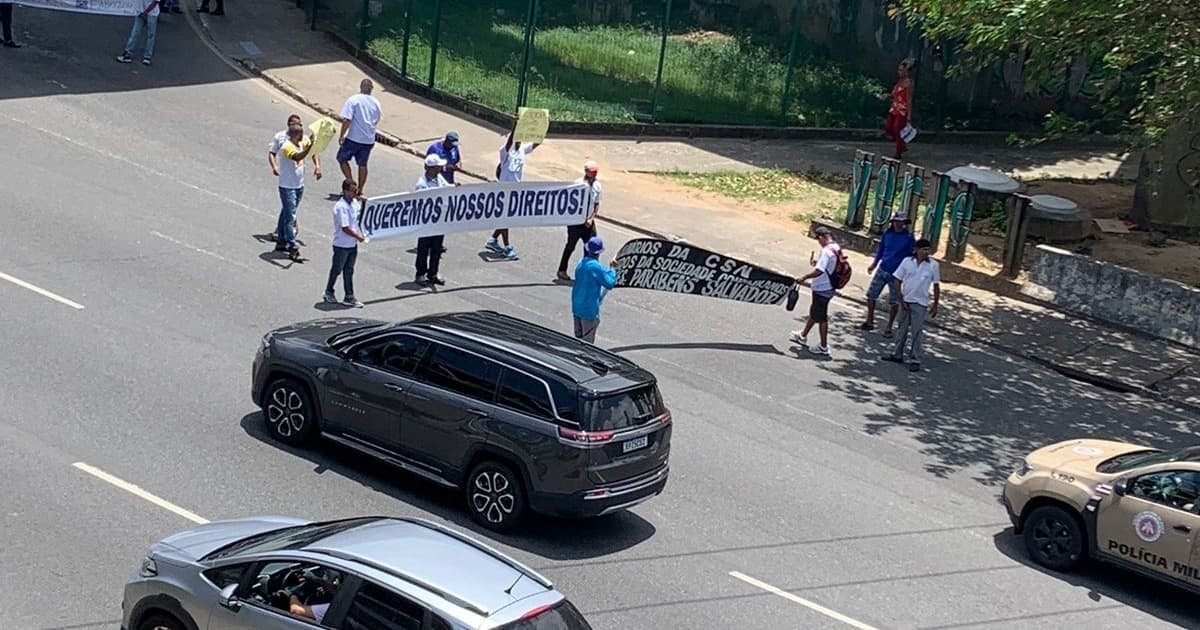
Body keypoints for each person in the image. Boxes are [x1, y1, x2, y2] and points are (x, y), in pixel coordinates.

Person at [882, 238, 940, 372]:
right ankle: (897, 354)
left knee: (917, 332)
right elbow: (897, 280)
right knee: (901, 329)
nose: (926, 252)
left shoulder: (933, 265)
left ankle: (915, 359)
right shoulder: (907, 262)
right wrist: (901, 299)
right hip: (906, 301)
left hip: (920, 302)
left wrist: (935, 304)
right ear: (917, 250)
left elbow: (936, 285)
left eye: (928, 249)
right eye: (923, 249)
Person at [859, 211, 915, 336]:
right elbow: (881, 250)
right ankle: (869, 320)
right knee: (871, 295)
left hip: (897, 274)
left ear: (904, 223)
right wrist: (874, 264)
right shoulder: (887, 234)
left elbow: (912, 255)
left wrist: (908, 272)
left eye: (900, 222)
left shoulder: (909, 238)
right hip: (882, 268)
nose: (897, 224)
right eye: (896, 221)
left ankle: (889, 326)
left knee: (894, 301)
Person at [487, 128, 539, 261]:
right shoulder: (504, 152)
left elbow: (536, 143)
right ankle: (507, 247)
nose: (519, 141)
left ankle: (493, 239)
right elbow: (509, 141)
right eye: (517, 137)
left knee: (507, 218)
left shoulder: (522, 149)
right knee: (506, 219)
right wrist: (517, 125)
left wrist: (542, 127)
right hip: (504, 191)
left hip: (515, 192)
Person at [275, 118, 322, 261]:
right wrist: (308, 149)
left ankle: (281, 240)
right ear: (295, 135)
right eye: (301, 134)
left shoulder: (302, 142)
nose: (303, 137)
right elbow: (298, 157)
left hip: (298, 185)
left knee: (287, 212)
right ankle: (292, 244)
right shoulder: (287, 146)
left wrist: (316, 141)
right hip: (287, 186)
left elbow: (313, 149)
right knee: (291, 216)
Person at [790, 227, 841, 356]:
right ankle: (803, 335)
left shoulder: (825, 251)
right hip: (830, 286)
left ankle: (823, 346)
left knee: (821, 317)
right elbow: (829, 265)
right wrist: (817, 263)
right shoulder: (836, 247)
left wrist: (804, 277)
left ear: (821, 237)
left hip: (822, 288)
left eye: (818, 239)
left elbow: (819, 271)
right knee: (815, 312)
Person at [324, 179, 366, 308]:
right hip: (342, 244)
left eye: (356, 190)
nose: (355, 193)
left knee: (349, 270)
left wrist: (364, 204)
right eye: (353, 191)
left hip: (352, 244)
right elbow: (345, 227)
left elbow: (360, 217)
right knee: (337, 269)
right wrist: (358, 237)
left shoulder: (354, 203)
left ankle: (349, 296)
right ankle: (329, 291)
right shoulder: (341, 207)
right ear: (345, 191)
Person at [557, 161, 602, 281]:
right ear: (586, 172)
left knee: (592, 247)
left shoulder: (597, 185)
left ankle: (588, 272)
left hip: (589, 222)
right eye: (592, 172)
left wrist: (591, 218)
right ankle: (562, 270)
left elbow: (597, 203)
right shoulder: (578, 183)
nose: (595, 174)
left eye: (596, 172)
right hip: (576, 222)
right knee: (570, 246)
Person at [336, 79, 382, 196]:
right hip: (368, 139)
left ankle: (351, 184)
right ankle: (360, 190)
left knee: (342, 158)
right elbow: (377, 120)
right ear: (371, 89)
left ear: (361, 87)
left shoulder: (354, 100)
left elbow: (347, 120)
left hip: (354, 138)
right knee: (363, 164)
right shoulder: (376, 103)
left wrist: (342, 135)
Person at [413, 155, 451, 286]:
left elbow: (446, 188)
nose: (441, 168)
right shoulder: (422, 184)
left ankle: (433, 273)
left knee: (436, 248)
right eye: (438, 166)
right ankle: (420, 274)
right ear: (431, 168)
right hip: (426, 222)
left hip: (439, 221)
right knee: (423, 249)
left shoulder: (439, 178)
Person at [571, 237, 616, 344]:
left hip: (576, 307)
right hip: (588, 310)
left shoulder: (581, 263)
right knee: (587, 343)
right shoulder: (596, 267)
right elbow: (609, 284)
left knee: (577, 339)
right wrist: (612, 269)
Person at [268, 114, 303, 242]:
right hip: (286, 181)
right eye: (295, 124)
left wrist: (317, 166)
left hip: (298, 181)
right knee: (289, 211)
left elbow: (313, 153)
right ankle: (290, 242)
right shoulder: (281, 138)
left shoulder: (301, 138)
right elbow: (272, 153)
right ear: (289, 124)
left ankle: (280, 235)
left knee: (288, 209)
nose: (298, 126)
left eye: (299, 124)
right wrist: (274, 166)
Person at [880, 58, 914, 159]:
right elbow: (894, 95)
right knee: (888, 126)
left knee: (897, 129)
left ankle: (898, 152)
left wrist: (909, 115)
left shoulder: (909, 83)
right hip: (894, 108)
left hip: (902, 110)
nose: (899, 72)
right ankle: (901, 145)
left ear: (906, 71)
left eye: (901, 70)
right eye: (898, 70)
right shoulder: (899, 82)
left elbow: (909, 99)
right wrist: (887, 96)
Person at [116, 0, 160, 66]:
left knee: (150, 35)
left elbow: (155, 2)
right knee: (135, 33)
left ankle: (147, 57)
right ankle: (128, 54)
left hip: (152, 13)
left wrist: (145, 12)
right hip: (140, 12)